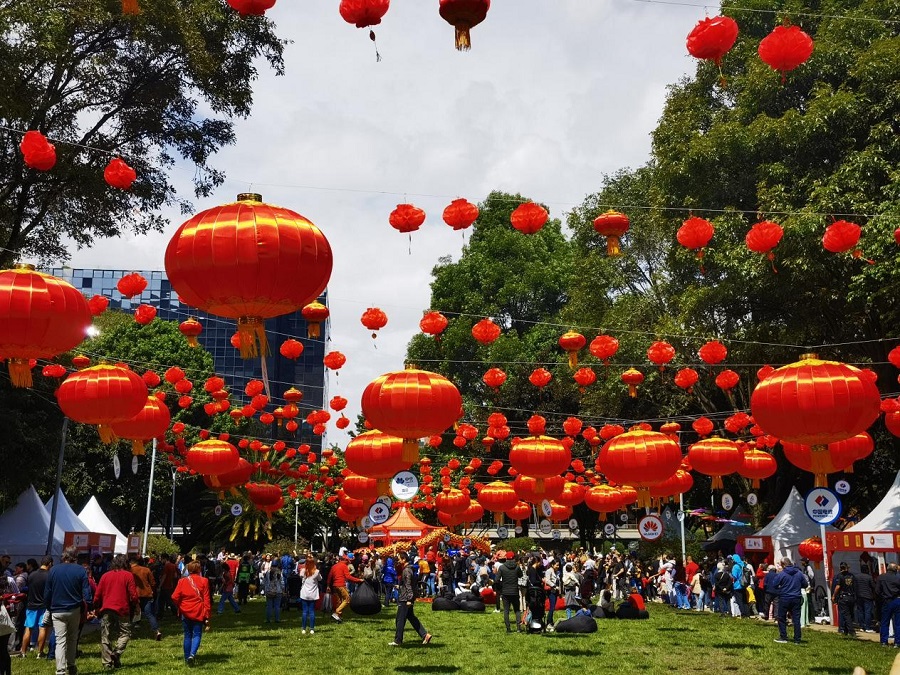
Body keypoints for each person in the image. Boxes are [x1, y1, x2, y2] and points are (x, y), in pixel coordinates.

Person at [44, 546, 92, 675]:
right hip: (74, 609)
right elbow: (86, 592)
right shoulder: (81, 570)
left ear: (63, 556)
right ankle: (71, 666)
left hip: (57, 609)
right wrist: (88, 606)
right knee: (72, 638)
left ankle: (60, 670)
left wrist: (48, 607)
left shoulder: (53, 570)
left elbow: (47, 592)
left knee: (60, 640)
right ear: (75, 557)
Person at [93, 554, 138, 670]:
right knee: (125, 633)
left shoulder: (105, 576)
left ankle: (107, 663)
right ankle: (117, 652)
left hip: (106, 608)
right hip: (122, 609)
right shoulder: (128, 576)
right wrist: (136, 605)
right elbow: (133, 595)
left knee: (105, 636)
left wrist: (95, 606)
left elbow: (97, 594)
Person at [171, 560, 211, 667]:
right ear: (199, 569)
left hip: (185, 612)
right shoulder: (204, 581)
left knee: (187, 635)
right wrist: (207, 615)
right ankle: (192, 655)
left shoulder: (182, 581)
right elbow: (206, 600)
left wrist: (181, 606)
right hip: (198, 611)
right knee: (197, 634)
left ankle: (186, 657)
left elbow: (174, 597)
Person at [389, 557, 432, 647]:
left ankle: (398, 640)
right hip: (407, 596)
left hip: (405, 598)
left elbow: (408, 584)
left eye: (400, 558)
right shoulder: (410, 569)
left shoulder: (407, 570)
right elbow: (409, 584)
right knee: (411, 617)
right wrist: (400, 587)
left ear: (404, 560)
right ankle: (425, 635)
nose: (399, 560)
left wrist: (409, 599)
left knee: (400, 619)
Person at [18, 556, 50, 657]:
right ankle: (40, 653)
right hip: (43, 606)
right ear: (49, 564)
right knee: (42, 628)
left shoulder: (32, 575)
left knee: (28, 628)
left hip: (31, 605)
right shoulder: (49, 575)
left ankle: (23, 652)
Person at [772, 558, 808, 644]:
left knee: (782, 618)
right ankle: (797, 639)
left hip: (784, 597)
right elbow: (805, 584)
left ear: (783, 565)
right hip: (796, 598)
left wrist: (781, 587)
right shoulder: (799, 573)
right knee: (796, 619)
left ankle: (783, 637)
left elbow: (774, 584)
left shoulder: (782, 574)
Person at [130, 557, 162, 640]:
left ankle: (129, 632)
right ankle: (156, 631)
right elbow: (153, 582)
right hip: (147, 594)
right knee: (149, 614)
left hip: (134, 594)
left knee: (133, 613)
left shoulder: (130, 571)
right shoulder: (147, 570)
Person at [327, 555, 362, 623]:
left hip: (335, 586)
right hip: (341, 585)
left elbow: (329, 576)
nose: (349, 562)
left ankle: (338, 618)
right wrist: (358, 580)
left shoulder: (334, 566)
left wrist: (328, 585)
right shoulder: (344, 566)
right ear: (345, 560)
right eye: (348, 561)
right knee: (347, 599)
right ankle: (337, 612)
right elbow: (348, 577)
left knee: (339, 601)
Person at [495, 551, 523, 633]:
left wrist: (501, 586)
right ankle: (518, 628)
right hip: (515, 591)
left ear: (506, 558)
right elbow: (520, 575)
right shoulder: (517, 567)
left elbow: (497, 579)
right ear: (514, 558)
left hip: (505, 591)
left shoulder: (502, 567)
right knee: (517, 610)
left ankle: (508, 628)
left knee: (506, 611)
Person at [875, 562, 900, 648]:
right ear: (896, 569)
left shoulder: (881, 577)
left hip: (886, 601)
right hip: (897, 600)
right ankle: (897, 642)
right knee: (898, 623)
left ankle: (884, 642)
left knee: (884, 622)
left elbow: (877, 591)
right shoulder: (898, 577)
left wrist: (883, 597)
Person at [831, 561, 857, 637]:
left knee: (846, 615)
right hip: (851, 597)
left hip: (843, 597)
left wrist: (833, 596)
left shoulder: (840, 576)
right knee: (850, 614)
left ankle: (851, 631)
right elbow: (855, 586)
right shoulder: (852, 576)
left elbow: (837, 587)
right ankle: (846, 630)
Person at [298, 557, 320, 635]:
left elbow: (300, 576)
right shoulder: (316, 572)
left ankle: (303, 628)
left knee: (304, 611)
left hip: (304, 593)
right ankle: (312, 629)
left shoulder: (303, 571)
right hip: (313, 594)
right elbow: (320, 579)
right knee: (311, 611)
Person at [855, 562, 875, 633]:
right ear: (867, 570)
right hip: (867, 596)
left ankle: (861, 626)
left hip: (858, 595)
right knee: (867, 612)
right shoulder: (869, 577)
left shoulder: (856, 577)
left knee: (860, 611)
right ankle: (867, 627)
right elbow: (873, 586)